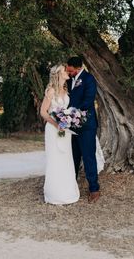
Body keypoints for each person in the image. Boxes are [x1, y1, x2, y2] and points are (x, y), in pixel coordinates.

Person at [40, 65, 80, 205]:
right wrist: (57, 124)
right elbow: (43, 112)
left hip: (65, 130)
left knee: (66, 158)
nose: (67, 72)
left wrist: (70, 119)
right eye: (64, 70)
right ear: (58, 74)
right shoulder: (51, 91)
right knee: (55, 158)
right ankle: (54, 194)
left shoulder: (65, 89)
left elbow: (67, 110)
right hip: (53, 129)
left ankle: (67, 192)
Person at [66, 55, 102, 203]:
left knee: (88, 157)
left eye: (70, 69)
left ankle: (94, 189)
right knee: (73, 157)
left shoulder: (89, 79)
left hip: (86, 125)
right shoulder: (68, 80)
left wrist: (70, 114)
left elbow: (87, 101)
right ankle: (71, 187)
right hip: (71, 126)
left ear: (78, 68)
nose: (68, 72)